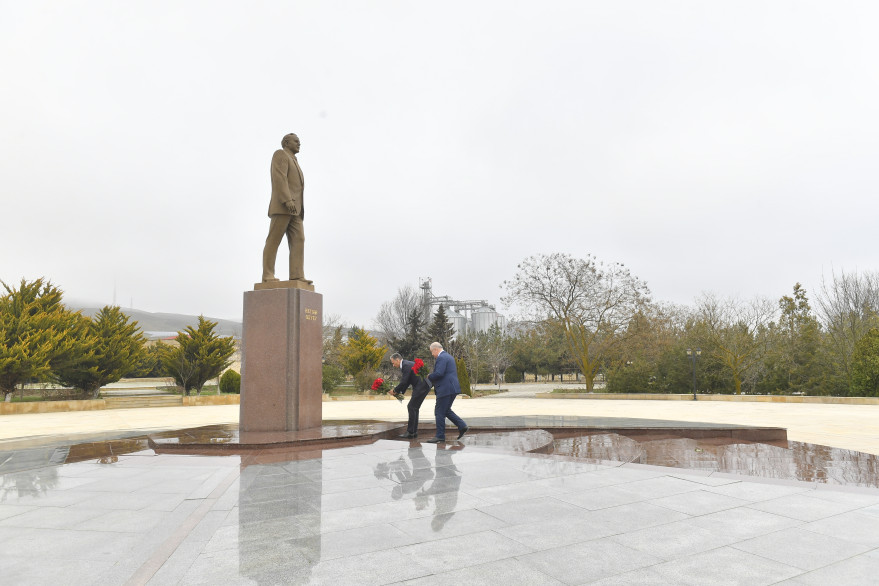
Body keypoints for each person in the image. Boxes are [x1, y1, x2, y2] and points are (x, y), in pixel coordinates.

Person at [261, 133, 312, 284]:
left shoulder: (295, 161)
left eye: (299, 142)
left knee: (299, 239)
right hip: (284, 206)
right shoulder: (280, 154)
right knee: (274, 240)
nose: (299, 144)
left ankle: (297, 275)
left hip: (296, 209)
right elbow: (279, 178)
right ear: (286, 142)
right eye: (296, 141)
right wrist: (287, 199)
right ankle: (268, 274)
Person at [425, 342, 469, 443]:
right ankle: (462, 426)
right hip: (452, 388)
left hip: (445, 389)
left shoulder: (441, 358)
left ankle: (440, 436)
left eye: (432, 352)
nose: (432, 354)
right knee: (446, 410)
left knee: (439, 412)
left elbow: (439, 373)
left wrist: (429, 376)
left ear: (435, 349)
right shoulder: (448, 356)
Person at [389, 353, 432, 438]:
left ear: (397, 360)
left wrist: (395, 391)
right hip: (424, 385)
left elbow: (404, 381)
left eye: (393, 363)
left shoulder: (406, 365)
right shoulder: (406, 364)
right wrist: (399, 393)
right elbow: (407, 381)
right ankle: (413, 432)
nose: (393, 365)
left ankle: (410, 432)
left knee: (411, 407)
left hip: (421, 386)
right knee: (414, 408)